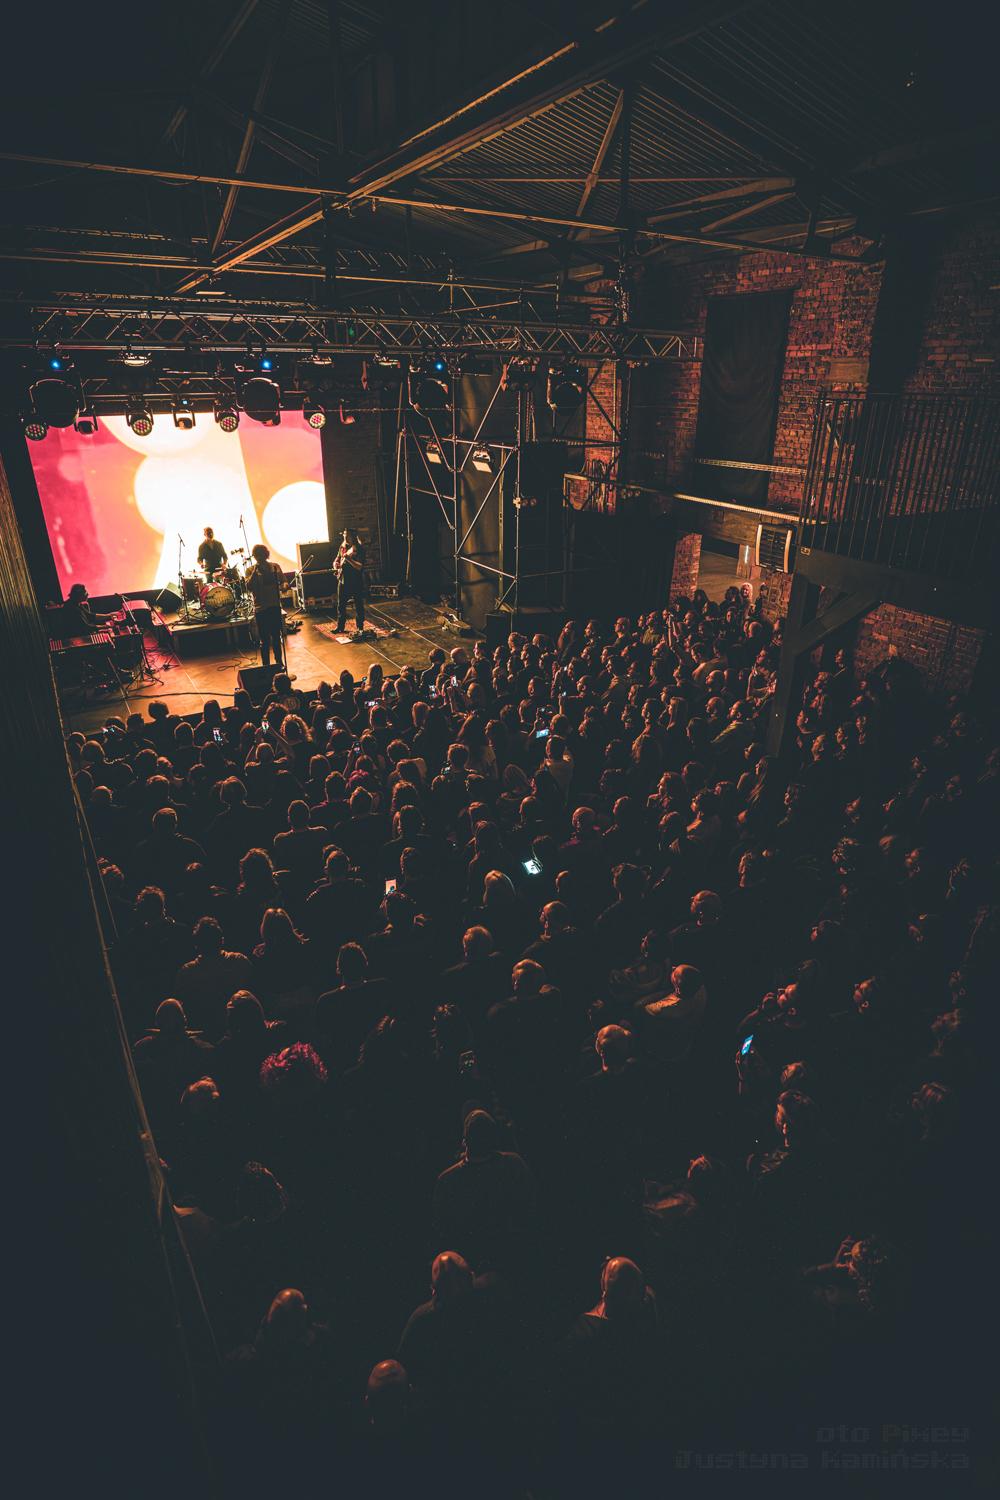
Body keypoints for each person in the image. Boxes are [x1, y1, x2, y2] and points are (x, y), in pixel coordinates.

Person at [246, 543, 285, 670]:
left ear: (266, 555)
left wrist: (285, 585)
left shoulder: (275, 567)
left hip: (274, 605)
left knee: (276, 636)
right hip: (261, 608)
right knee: (264, 640)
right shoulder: (250, 570)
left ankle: (279, 662)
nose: (259, 558)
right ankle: (266, 666)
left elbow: (283, 581)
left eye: (261, 555)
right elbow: (248, 586)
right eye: (257, 556)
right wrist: (254, 573)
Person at [335, 527, 366, 634]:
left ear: (353, 537)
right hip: (343, 579)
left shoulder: (359, 549)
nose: (345, 537)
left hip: (355, 580)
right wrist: (335, 564)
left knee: (358, 605)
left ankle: (360, 627)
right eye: (344, 534)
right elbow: (337, 559)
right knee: (340, 605)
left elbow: (359, 566)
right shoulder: (342, 546)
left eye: (347, 535)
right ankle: (340, 627)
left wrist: (349, 559)